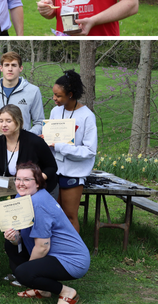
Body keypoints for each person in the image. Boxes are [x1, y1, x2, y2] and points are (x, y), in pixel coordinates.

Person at [3, 162, 89, 303]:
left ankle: (67, 292)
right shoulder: (21, 197)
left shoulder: (38, 203)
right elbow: (20, 234)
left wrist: (28, 272)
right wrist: (13, 238)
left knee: (23, 273)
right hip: (50, 253)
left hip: (72, 260)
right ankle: (43, 289)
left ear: (37, 183)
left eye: (27, 179)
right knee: (10, 244)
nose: (21, 183)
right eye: (18, 179)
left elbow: (43, 247)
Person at [48, 70, 97, 233]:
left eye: (58, 95)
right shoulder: (55, 111)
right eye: (54, 94)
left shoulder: (86, 116)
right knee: (55, 214)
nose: (54, 98)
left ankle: (75, 252)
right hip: (55, 171)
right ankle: (56, 249)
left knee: (69, 215)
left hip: (73, 173)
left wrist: (59, 146)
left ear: (70, 94)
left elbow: (89, 151)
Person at [0, 105, 58, 197]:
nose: (4, 125)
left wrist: (36, 180)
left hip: (43, 190)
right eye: (1, 121)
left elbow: (51, 167)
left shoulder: (35, 141)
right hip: (17, 192)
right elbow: (0, 172)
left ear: (18, 121)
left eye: (8, 121)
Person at [0, 51, 44, 135]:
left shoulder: (33, 91)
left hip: (22, 145)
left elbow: (39, 123)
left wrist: (27, 137)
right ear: (1, 68)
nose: (10, 69)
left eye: (14, 65)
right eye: (6, 65)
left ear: (20, 68)